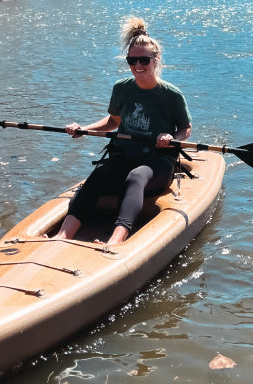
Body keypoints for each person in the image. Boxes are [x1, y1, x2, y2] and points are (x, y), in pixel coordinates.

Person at [55, 16, 192, 245]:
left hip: (157, 163)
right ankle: (62, 235)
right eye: (132, 60)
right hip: (124, 155)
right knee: (100, 174)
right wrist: (83, 129)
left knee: (136, 176)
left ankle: (116, 240)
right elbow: (113, 122)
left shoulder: (172, 94)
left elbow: (185, 129)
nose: (137, 66)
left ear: (156, 59)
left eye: (143, 60)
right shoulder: (121, 88)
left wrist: (171, 137)